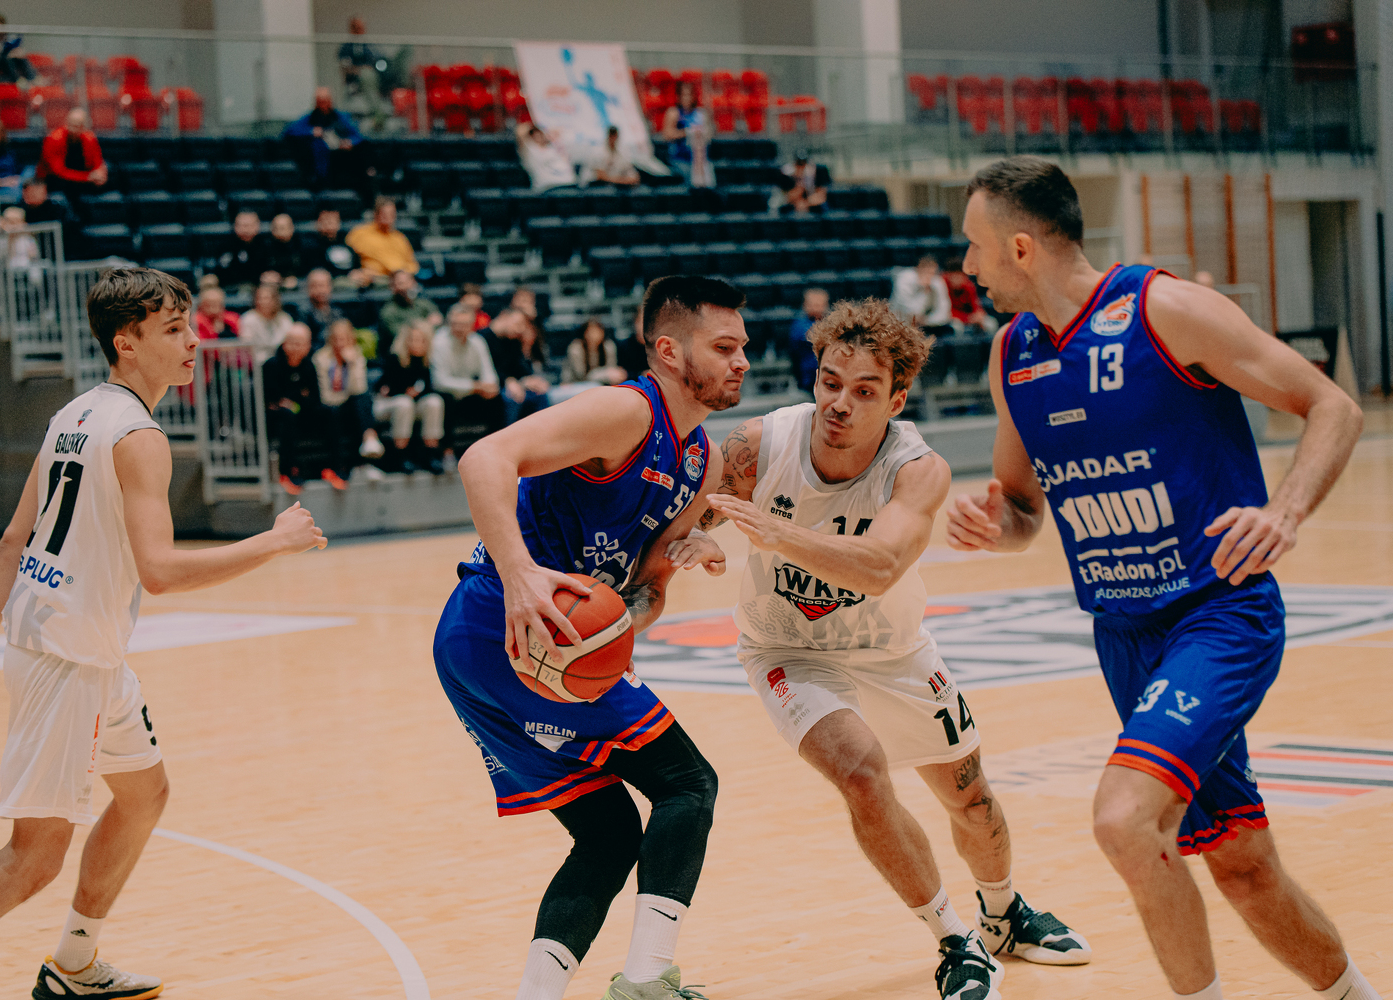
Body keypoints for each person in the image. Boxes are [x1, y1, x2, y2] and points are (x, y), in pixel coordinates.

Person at [946, 157, 1378, 1000]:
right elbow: (1024, 508)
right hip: (1123, 636)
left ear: (1021, 247)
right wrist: (994, 526)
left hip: (1216, 617)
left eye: (974, 245)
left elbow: (1334, 406)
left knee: (1121, 821)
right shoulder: (1012, 353)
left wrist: (1283, 512)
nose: (967, 265)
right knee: (1243, 867)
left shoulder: (1163, 310)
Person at [0, 268, 325, 1000]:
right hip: (67, 658)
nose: (192, 341)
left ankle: (74, 963)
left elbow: (12, 543)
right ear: (127, 342)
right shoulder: (140, 437)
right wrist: (274, 541)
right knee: (33, 859)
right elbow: (159, 573)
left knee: (145, 795)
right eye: (173, 330)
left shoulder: (74, 413)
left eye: (189, 327)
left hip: (80, 648)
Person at [689, 297, 1091, 1000]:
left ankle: (1003, 913)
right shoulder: (761, 444)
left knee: (971, 801)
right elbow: (681, 515)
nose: (840, 403)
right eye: (830, 382)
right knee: (861, 774)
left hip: (892, 649)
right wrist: (689, 542)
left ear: (896, 399)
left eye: (864, 391)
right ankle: (955, 941)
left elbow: (878, 567)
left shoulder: (916, 469)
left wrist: (777, 534)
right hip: (787, 648)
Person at [431, 274, 750, 1000]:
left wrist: (671, 570)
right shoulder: (624, 411)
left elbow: (643, 595)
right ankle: (647, 982)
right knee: (687, 784)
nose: (740, 362)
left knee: (608, 835)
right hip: (502, 620)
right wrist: (520, 576)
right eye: (723, 347)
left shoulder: (699, 460)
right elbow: (483, 459)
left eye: (743, 348)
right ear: (669, 351)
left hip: (504, 647)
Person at [264, 323, 343, 492]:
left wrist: (295, 400)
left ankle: (334, 467)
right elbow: (272, 400)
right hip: (276, 419)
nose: (296, 347)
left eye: (301, 343)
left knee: (330, 412)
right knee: (287, 415)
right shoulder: (271, 365)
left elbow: (314, 398)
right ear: (284, 344)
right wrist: (299, 396)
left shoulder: (309, 365)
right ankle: (288, 471)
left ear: (308, 346)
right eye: (292, 342)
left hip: (302, 413)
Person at [376, 321, 445, 474]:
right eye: (412, 339)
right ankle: (401, 456)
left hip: (414, 403)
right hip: (388, 404)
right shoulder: (395, 358)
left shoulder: (427, 361)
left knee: (434, 401)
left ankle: (432, 453)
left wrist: (415, 393)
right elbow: (386, 388)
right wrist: (406, 392)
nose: (416, 344)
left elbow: (429, 388)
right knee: (404, 402)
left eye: (420, 340)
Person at [431, 302, 503, 448]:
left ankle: (495, 446)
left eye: (463, 324)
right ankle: (447, 451)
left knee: (497, 398)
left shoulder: (477, 341)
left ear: (471, 325)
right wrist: (474, 386)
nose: (459, 328)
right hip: (448, 392)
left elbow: (488, 372)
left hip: (472, 392)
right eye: (455, 324)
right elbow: (440, 381)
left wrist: (489, 386)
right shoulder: (439, 342)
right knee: (445, 399)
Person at [315, 317, 384, 468]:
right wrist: (345, 396)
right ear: (330, 340)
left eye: (344, 339)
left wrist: (351, 364)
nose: (340, 344)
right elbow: (326, 397)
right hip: (329, 406)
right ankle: (366, 443)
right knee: (338, 410)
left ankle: (368, 442)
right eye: (336, 339)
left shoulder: (356, 356)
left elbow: (359, 389)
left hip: (350, 404)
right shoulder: (321, 358)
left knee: (362, 399)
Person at [282, 87, 366, 186]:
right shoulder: (310, 118)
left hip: (341, 156)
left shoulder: (341, 117)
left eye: (326, 101)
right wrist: (311, 131)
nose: (323, 105)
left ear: (330, 101)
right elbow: (290, 131)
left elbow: (357, 136)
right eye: (320, 102)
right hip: (318, 159)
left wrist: (349, 142)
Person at [485, 307, 551, 427]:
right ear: (504, 316)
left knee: (539, 394)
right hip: (492, 387)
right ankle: (507, 436)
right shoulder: (482, 338)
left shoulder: (512, 339)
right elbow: (487, 370)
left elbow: (518, 367)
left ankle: (542, 433)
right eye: (518, 324)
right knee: (512, 397)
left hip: (513, 384)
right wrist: (507, 380)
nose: (520, 329)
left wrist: (529, 379)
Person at [38, 108, 108, 201]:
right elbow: (58, 172)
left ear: (84, 126)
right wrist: (87, 177)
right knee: (69, 187)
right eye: (71, 124)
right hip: (57, 179)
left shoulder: (89, 138)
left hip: (83, 177)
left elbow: (98, 162)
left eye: (78, 126)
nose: (73, 129)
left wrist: (100, 174)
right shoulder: (53, 139)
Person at [377, 269, 441, 365]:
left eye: (407, 282)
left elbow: (438, 322)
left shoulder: (424, 304)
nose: (405, 287)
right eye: (400, 283)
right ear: (392, 287)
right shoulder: (388, 311)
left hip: (427, 349)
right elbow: (402, 334)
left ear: (414, 283)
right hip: (401, 354)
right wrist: (426, 324)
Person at [347, 196, 419, 279]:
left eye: (391, 214)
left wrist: (404, 272)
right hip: (373, 278)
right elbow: (347, 254)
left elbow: (413, 265)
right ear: (376, 214)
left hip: (399, 277)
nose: (387, 217)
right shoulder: (360, 233)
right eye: (384, 213)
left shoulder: (400, 238)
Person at [659, 81, 712, 188]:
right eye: (684, 95)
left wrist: (700, 133)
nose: (687, 98)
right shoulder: (674, 113)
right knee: (688, 175)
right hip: (679, 158)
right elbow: (667, 135)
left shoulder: (701, 114)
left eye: (689, 95)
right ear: (679, 96)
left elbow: (709, 135)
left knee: (707, 178)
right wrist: (687, 132)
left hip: (699, 159)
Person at [308, 208, 372, 288]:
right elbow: (320, 271)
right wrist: (348, 275)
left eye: (333, 221)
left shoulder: (346, 241)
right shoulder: (312, 246)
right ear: (318, 222)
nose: (330, 224)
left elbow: (356, 264)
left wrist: (359, 273)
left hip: (352, 279)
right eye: (326, 221)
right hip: (332, 282)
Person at [893, 255, 954, 339]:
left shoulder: (937, 281)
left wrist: (927, 321)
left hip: (928, 326)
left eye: (932, 273)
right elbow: (910, 311)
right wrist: (923, 290)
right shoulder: (904, 279)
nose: (928, 276)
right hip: (901, 325)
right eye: (925, 271)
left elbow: (944, 311)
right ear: (918, 268)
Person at [562, 317, 627, 385]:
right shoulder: (576, 348)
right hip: (577, 384)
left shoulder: (608, 346)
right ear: (585, 333)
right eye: (591, 332)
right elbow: (582, 375)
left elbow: (611, 368)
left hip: (603, 383)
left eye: (597, 331)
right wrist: (603, 373)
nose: (594, 335)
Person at [516, 122, 578, 193]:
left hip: (570, 185)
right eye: (534, 135)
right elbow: (521, 133)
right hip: (548, 188)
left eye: (540, 134)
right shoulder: (530, 151)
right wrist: (533, 124)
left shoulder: (554, 148)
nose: (538, 137)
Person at [214, 211, 268, 292]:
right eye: (241, 225)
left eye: (248, 225)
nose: (245, 229)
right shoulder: (226, 246)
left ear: (257, 226)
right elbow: (221, 272)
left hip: (260, 288)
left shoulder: (266, 245)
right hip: (229, 287)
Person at [239, 283, 293, 362]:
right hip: (257, 362)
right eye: (259, 298)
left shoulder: (285, 319)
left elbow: (290, 342)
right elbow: (246, 346)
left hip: (282, 361)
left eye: (266, 298)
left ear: (275, 300)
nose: (263, 301)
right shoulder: (248, 319)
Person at [788, 287, 829, 392]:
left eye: (821, 305)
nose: (818, 308)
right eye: (814, 305)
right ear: (806, 305)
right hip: (808, 373)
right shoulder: (800, 324)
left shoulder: (830, 321)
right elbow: (802, 338)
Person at [943, 258, 996, 334]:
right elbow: (946, 311)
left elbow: (976, 306)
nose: (956, 280)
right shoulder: (942, 285)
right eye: (954, 276)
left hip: (967, 317)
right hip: (950, 318)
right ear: (948, 275)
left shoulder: (968, 286)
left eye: (959, 276)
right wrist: (967, 318)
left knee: (991, 323)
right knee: (956, 325)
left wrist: (979, 315)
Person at [0, 13, 36, 86]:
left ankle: (33, 78)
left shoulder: (8, 39)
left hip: (10, 66)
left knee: (20, 57)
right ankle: (19, 81)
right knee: (6, 58)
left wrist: (17, 52)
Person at [259, 213, 308, 290]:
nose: (279, 231)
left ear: (292, 228)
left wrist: (298, 280)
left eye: (282, 228)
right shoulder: (264, 246)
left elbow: (310, 272)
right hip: (272, 286)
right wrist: (265, 276)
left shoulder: (304, 246)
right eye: (276, 228)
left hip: (300, 285)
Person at [298, 269, 344, 348]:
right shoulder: (302, 313)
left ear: (330, 287)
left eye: (323, 285)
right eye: (315, 286)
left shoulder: (337, 311)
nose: (320, 290)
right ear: (308, 288)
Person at [781, 149, 827, 214]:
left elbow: (821, 197)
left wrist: (806, 203)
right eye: (799, 165)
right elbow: (786, 198)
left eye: (803, 164)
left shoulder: (814, 173)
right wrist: (800, 186)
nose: (801, 168)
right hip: (793, 207)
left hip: (810, 206)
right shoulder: (787, 175)